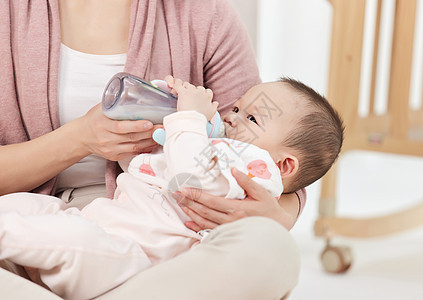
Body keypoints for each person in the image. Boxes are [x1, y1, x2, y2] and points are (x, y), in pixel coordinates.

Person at [0, 0, 304, 299]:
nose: (232, 116)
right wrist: (79, 138)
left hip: (149, 246)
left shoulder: (205, 14)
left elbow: (275, 143)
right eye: (234, 111)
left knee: (272, 248)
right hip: (49, 219)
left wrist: (275, 216)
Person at [0, 75, 344, 299]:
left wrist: (188, 120)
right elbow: (142, 168)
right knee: (26, 208)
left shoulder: (253, 169)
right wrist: (151, 128)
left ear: (284, 166)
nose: (232, 117)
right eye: (236, 107)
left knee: (63, 240)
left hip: (126, 255)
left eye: (252, 118)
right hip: (94, 220)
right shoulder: (214, 146)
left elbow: (189, 177)